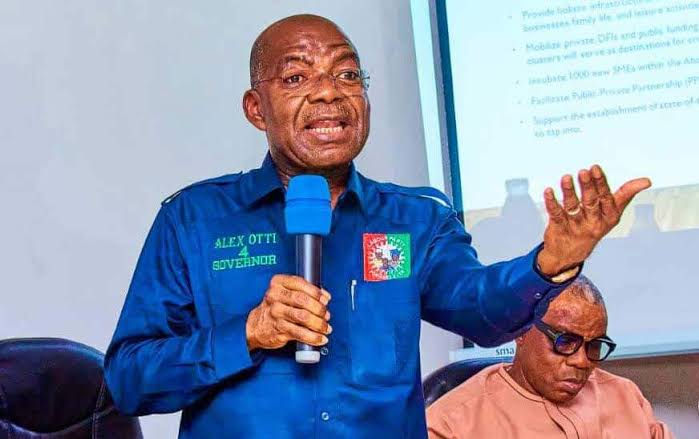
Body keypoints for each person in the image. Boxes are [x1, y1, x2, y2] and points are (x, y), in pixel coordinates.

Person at [104, 14, 651, 438]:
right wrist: (248, 332)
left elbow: (481, 312)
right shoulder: (194, 220)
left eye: (347, 74)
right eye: (296, 76)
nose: (328, 92)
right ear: (256, 108)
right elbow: (129, 380)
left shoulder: (415, 219)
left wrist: (553, 261)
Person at [426, 276, 674, 439]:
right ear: (521, 331)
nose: (582, 362)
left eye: (595, 346)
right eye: (565, 342)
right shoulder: (451, 424)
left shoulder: (625, 396)